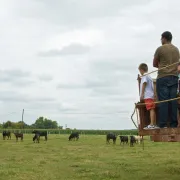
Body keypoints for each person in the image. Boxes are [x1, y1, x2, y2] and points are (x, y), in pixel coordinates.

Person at [153, 31, 180, 128]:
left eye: (161, 38)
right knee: (173, 101)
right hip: (174, 77)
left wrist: (162, 66)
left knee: (163, 101)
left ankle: (163, 124)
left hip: (163, 77)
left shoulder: (160, 49)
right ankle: (173, 124)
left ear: (164, 38)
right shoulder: (177, 50)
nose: (161, 40)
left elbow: (154, 64)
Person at [139, 63, 158, 129]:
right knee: (152, 109)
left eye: (139, 71)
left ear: (141, 70)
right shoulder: (149, 76)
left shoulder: (144, 75)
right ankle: (154, 124)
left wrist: (142, 94)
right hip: (151, 95)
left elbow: (144, 83)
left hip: (147, 95)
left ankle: (152, 124)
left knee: (151, 109)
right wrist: (155, 94)